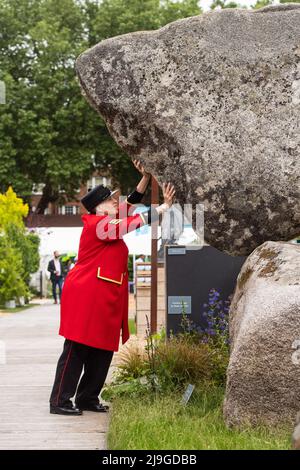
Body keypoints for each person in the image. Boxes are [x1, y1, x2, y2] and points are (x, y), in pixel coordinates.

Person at [49, 159, 175, 415]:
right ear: (99, 207)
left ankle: (87, 398)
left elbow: (130, 204)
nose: (115, 203)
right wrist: (162, 208)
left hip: (103, 295)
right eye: (110, 201)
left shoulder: (107, 219)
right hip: (87, 294)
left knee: (103, 349)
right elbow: (131, 222)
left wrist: (146, 177)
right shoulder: (99, 225)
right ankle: (60, 401)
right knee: (77, 348)